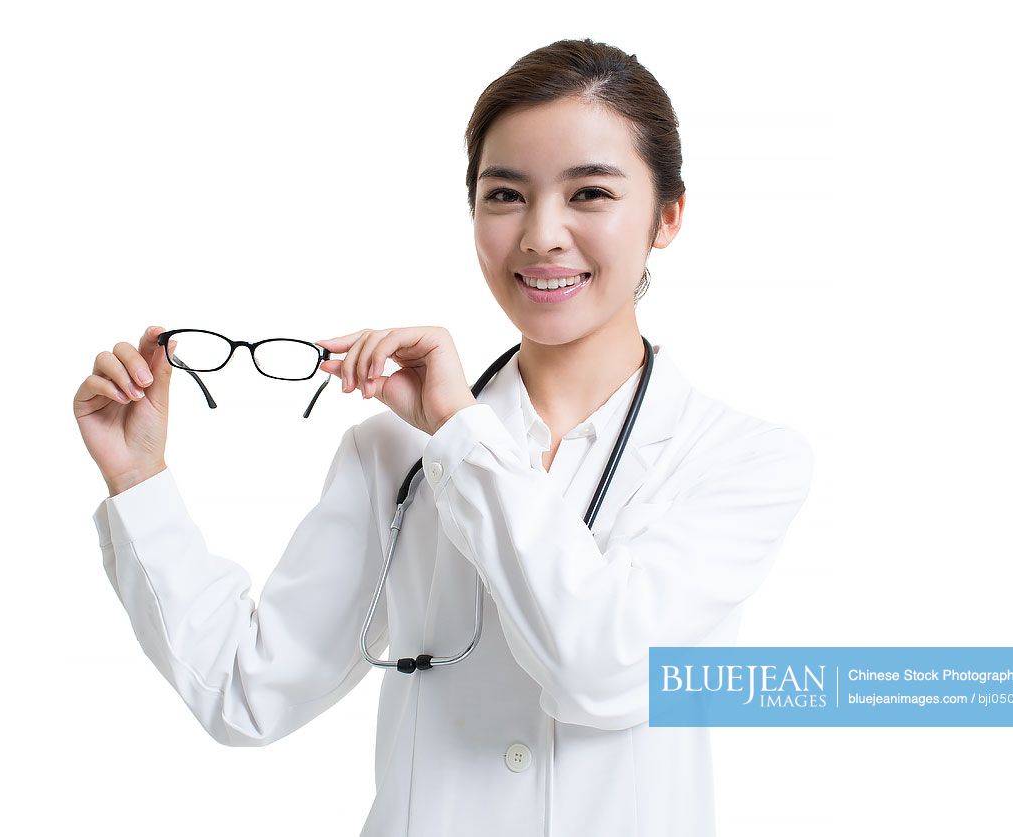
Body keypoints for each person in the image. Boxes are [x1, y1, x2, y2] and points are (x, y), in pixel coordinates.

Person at [73, 38, 813, 837]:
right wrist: (139, 478)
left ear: (667, 215)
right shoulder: (391, 455)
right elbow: (247, 695)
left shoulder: (740, 459)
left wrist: (463, 432)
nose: (541, 235)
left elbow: (605, 670)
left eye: (589, 193)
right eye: (505, 195)